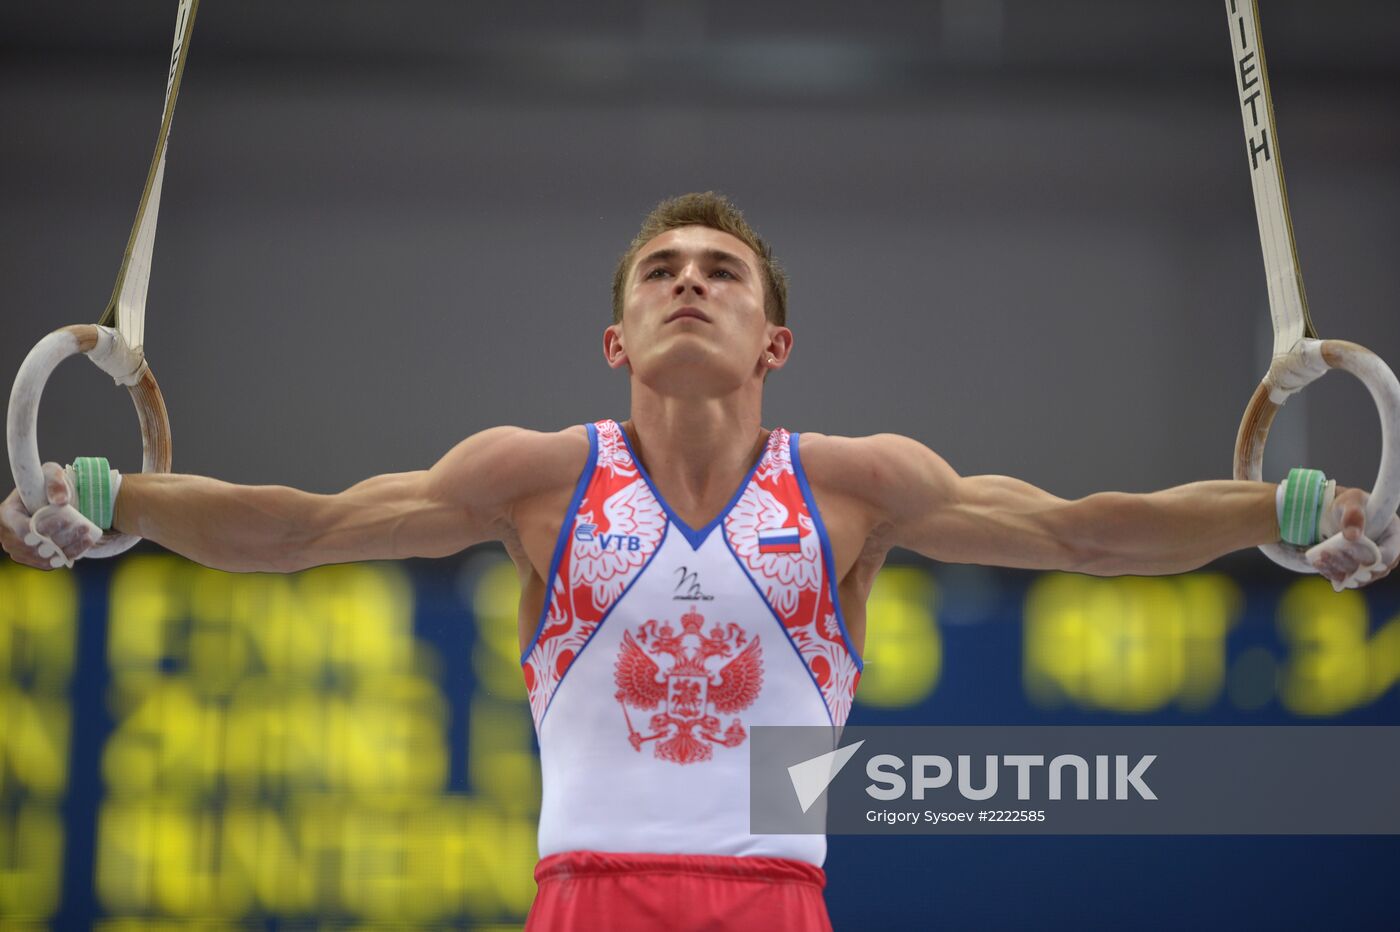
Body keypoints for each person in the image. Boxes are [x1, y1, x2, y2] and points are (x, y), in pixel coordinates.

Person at [3, 191, 1398, 931]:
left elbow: (1087, 531)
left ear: (771, 344)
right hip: (583, 901)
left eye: (720, 273)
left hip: (774, 902)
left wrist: (1281, 513)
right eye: (660, 270)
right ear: (616, 341)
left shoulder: (857, 489)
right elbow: (299, 528)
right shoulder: (533, 479)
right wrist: (112, 492)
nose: (688, 282)